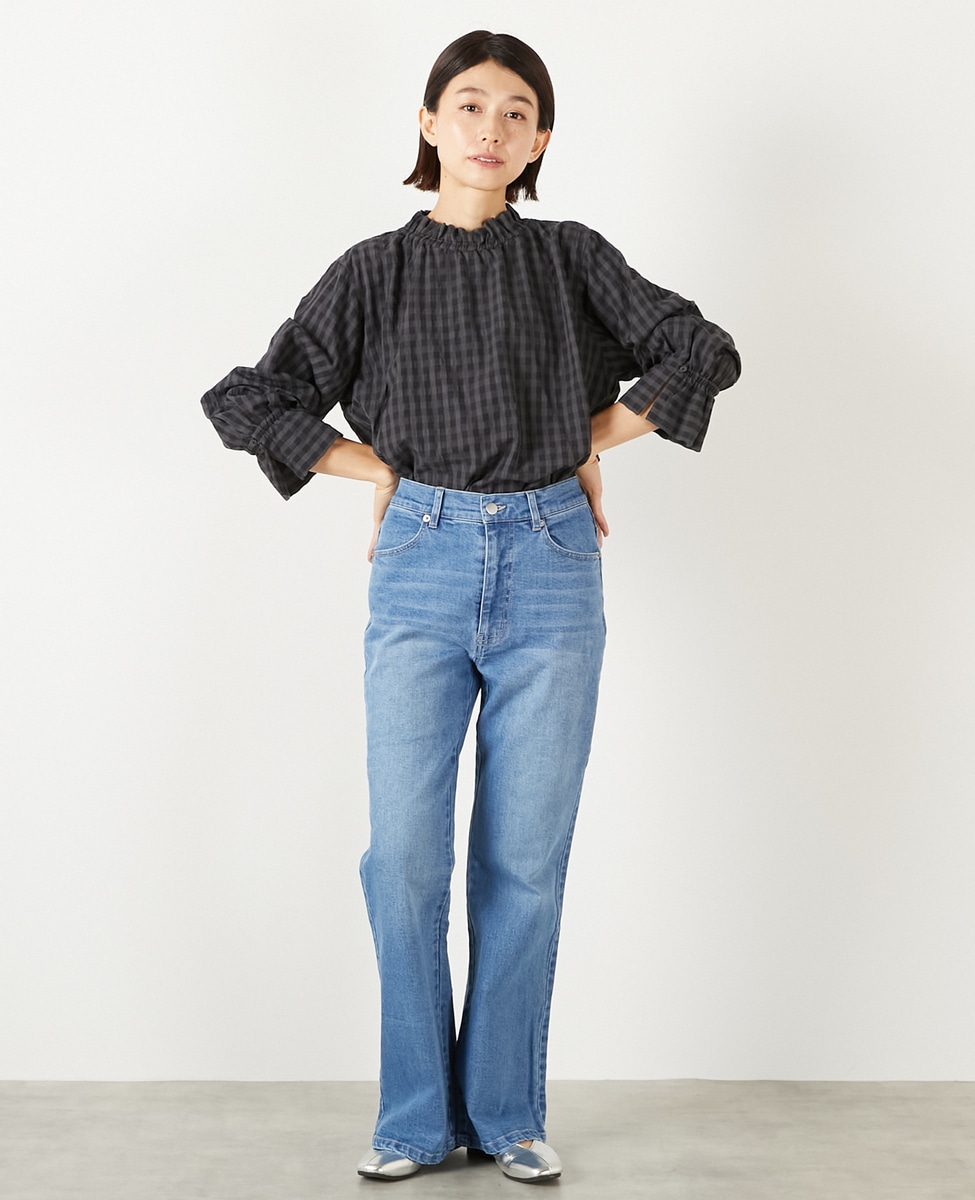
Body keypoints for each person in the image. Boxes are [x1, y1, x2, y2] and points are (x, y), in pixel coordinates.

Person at [201, 29, 740, 1184]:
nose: (491, 128)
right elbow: (249, 397)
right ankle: (413, 1119)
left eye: (516, 112)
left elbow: (702, 348)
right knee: (403, 859)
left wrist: (587, 437)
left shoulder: (572, 257)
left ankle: (505, 1115)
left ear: (539, 141)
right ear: (428, 122)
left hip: (552, 558)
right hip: (422, 558)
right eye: (469, 104)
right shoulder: (371, 273)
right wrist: (378, 470)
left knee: (523, 862)